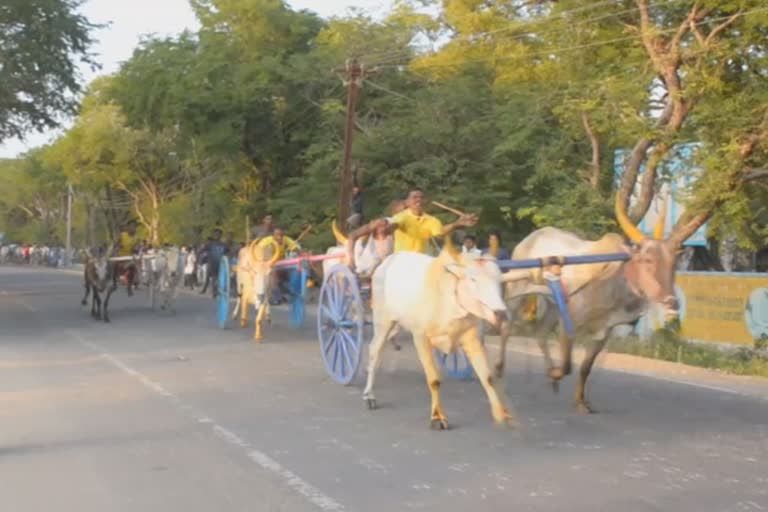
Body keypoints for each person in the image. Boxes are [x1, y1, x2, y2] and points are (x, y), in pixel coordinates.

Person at [370, 189, 478, 255]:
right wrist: (388, 229)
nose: (418, 200)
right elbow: (396, 224)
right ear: (407, 202)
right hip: (401, 259)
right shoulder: (401, 216)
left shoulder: (432, 220)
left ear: (425, 201)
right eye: (414, 197)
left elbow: (439, 234)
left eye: (421, 197)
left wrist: (456, 224)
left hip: (421, 259)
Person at [254, 228, 300, 304]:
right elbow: (259, 251)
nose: (279, 237)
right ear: (273, 236)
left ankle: (292, 291)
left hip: (281, 262)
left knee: (294, 269)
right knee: (273, 274)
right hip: (269, 263)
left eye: (281, 235)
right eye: (277, 235)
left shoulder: (286, 239)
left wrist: (301, 253)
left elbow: (295, 247)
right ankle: (276, 296)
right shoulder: (266, 241)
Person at [200, 229, 229, 298]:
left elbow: (228, 252)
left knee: (217, 279)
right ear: (213, 235)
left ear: (221, 235)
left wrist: (227, 259)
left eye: (218, 234)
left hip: (220, 264)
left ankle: (216, 292)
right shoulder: (210, 244)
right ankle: (213, 292)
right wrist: (201, 259)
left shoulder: (224, 245)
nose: (217, 235)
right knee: (211, 278)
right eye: (216, 234)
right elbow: (202, 250)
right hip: (211, 263)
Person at [114, 220, 139, 295]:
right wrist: (118, 246)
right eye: (131, 227)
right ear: (128, 227)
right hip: (120, 257)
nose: (133, 228)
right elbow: (116, 244)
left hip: (129, 258)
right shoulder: (122, 235)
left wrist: (135, 250)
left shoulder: (136, 238)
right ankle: (119, 277)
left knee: (133, 267)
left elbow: (136, 249)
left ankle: (129, 286)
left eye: (134, 227)